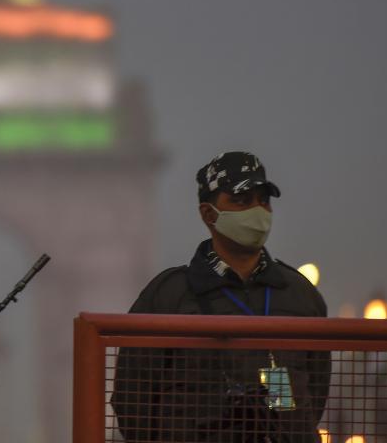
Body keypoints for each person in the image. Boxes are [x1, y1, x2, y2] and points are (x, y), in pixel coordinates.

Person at [111, 151, 330, 442]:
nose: (258, 210)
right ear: (208, 214)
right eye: (241, 200)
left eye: (263, 199)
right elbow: (132, 393)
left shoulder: (301, 294)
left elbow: (316, 389)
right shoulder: (167, 296)